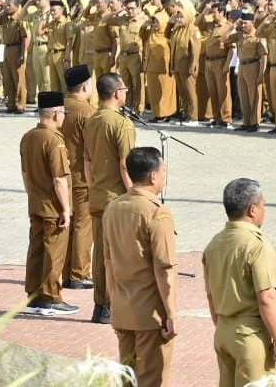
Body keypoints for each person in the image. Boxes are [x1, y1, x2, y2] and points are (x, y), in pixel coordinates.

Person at [103, 147, 178, 386]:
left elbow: (108, 263)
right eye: (163, 171)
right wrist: (172, 314)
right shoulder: (156, 213)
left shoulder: (113, 208)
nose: (164, 176)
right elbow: (164, 268)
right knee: (151, 380)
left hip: (123, 308)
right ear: (153, 176)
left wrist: (113, 303)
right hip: (150, 314)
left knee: (128, 379)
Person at [203, 178, 276, 386]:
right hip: (251, 335)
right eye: (263, 205)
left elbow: (211, 295)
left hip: (223, 330)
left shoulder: (214, 244)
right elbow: (267, 297)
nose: (263, 210)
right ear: (252, 210)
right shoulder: (256, 246)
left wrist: (223, 324)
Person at [83, 72, 137, 324]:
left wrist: (95, 186)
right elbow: (126, 165)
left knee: (99, 253)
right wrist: (134, 195)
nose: (126, 93)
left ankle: (100, 305)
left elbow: (86, 161)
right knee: (117, 254)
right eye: (124, 89)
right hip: (117, 198)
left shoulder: (92, 120)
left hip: (97, 196)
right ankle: (112, 305)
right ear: (117, 94)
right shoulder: (121, 124)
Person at [20, 91, 77, 315]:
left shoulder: (28, 137)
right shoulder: (54, 141)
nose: (63, 118)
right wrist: (66, 209)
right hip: (53, 206)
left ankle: (34, 296)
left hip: (35, 203)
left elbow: (25, 173)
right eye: (63, 113)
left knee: (36, 250)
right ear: (55, 114)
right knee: (54, 251)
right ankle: (51, 297)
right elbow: (59, 178)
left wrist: (31, 196)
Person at [61, 65, 96, 289]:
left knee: (67, 223)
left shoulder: (59, 107)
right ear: (85, 86)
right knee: (84, 224)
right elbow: (93, 148)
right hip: (83, 176)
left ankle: (65, 271)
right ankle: (80, 273)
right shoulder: (87, 112)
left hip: (62, 175)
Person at [0, 0, 29, 113]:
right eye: (6, 5)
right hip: (6, 49)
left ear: (17, 6)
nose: (7, 7)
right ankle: (11, 104)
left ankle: (20, 104)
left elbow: (25, 38)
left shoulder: (20, 19)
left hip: (16, 48)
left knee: (18, 79)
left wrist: (22, 54)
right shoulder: (5, 18)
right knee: (7, 78)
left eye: (9, 5)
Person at [168, 0, 202, 126]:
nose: (179, 18)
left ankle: (193, 118)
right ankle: (186, 115)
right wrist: (170, 24)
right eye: (178, 16)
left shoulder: (192, 30)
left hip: (187, 65)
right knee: (182, 92)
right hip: (177, 65)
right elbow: (167, 35)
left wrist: (193, 66)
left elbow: (195, 51)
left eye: (181, 16)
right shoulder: (177, 29)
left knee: (190, 92)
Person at [233, 11, 268, 132]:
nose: (243, 26)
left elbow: (264, 55)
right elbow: (224, 39)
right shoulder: (239, 35)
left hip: (253, 65)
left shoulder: (258, 36)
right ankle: (246, 121)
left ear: (252, 23)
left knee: (254, 96)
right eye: (242, 23)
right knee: (244, 96)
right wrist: (234, 26)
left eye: (245, 23)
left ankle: (255, 122)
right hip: (242, 66)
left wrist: (261, 73)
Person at [141, 9, 176, 122]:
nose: (155, 24)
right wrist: (145, 25)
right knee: (154, 92)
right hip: (151, 67)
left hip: (164, 68)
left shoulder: (168, 35)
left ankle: (166, 114)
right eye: (154, 22)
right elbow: (141, 35)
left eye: (157, 22)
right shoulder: (151, 33)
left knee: (165, 92)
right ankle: (157, 114)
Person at [204, 1, 235, 128]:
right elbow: (197, 23)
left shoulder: (228, 27)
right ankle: (216, 116)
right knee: (213, 91)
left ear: (222, 12)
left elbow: (231, 48)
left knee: (223, 91)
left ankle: (226, 117)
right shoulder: (211, 26)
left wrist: (227, 65)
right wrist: (204, 11)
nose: (212, 15)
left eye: (214, 12)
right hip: (209, 61)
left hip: (220, 60)